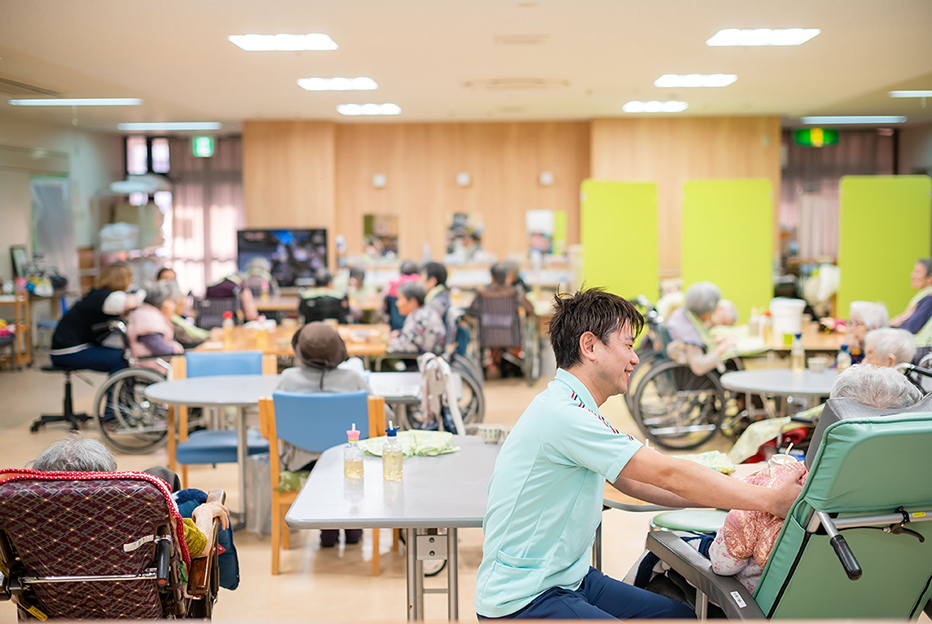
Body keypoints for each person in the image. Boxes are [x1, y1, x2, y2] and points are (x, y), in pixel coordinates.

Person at [474, 288, 801, 620]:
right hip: (525, 597)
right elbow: (668, 474)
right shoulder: (564, 415)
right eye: (628, 345)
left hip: (569, 579)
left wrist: (735, 498)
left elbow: (638, 485)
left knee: (681, 617)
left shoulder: (577, 407)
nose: (635, 359)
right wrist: (769, 500)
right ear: (589, 347)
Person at [709, 364, 922, 593]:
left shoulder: (783, 485)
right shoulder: (918, 493)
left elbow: (724, 565)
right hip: (873, 603)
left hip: (763, 608)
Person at [31, 434, 230, 560]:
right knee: (185, 493)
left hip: (54, 609)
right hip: (137, 606)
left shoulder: (22, 523)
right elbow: (201, 547)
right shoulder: (140, 511)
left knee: (160, 474)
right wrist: (204, 513)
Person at [276, 321, 383, 547]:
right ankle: (353, 528)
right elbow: (380, 417)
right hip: (349, 463)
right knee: (345, 462)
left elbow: (275, 423)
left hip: (301, 463)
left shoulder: (287, 379)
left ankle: (328, 530)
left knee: (315, 461)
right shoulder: (354, 379)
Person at [50, 261, 143, 374]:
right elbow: (132, 302)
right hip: (68, 351)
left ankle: (118, 390)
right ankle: (114, 391)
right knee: (121, 359)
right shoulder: (103, 297)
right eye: (131, 278)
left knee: (124, 355)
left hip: (78, 346)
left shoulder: (100, 295)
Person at [665, 281, 734, 376]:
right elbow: (699, 366)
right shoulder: (689, 333)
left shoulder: (682, 314)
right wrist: (722, 347)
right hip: (693, 378)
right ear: (707, 309)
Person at [126, 281, 185, 371]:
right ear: (159, 301)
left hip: (159, 361)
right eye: (170, 301)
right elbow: (157, 346)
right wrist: (175, 350)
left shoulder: (151, 314)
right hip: (153, 364)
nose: (173, 306)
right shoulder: (147, 317)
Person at [386, 281, 446, 356]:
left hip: (423, 361)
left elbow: (405, 347)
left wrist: (390, 341)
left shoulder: (418, 318)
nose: (397, 303)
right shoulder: (424, 311)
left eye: (400, 299)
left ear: (413, 302)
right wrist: (399, 333)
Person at [890, 258, 932, 336]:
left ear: (930, 277)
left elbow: (911, 327)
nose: (912, 275)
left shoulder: (929, 299)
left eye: (917, 272)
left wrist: (894, 325)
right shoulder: (923, 297)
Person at [382, 260, 421, 330]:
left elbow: (385, 307)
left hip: (395, 326)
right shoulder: (419, 285)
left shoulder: (393, 285)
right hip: (413, 327)